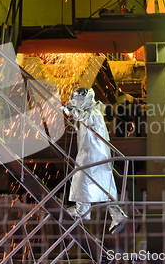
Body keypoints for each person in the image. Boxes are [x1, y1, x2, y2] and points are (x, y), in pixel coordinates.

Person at [62, 87, 128, 234]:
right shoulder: (94, 111)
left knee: (81, 179)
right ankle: (117, 215)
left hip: (92, 155)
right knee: (104, 185)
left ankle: (83, 211)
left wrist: (71, 110)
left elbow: (86, 117)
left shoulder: (94, 113)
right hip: (97, 154)